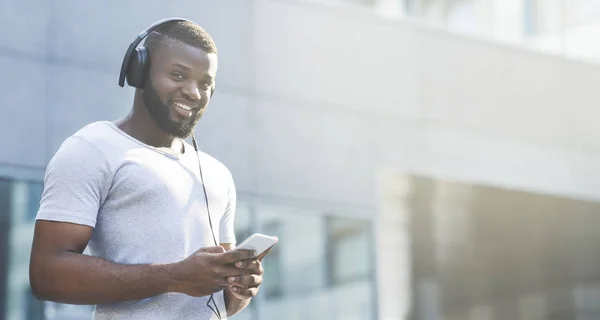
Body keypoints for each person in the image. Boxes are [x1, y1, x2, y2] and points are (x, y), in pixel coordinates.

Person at [29, 19, 270, 319]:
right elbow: (46, 274)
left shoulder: (218, 174)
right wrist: (175, 277)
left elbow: (218, 299)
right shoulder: (91, 148)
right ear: (139, 71)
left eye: (205, 83)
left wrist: (238, 288)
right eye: (178, 75)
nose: (194, 92)